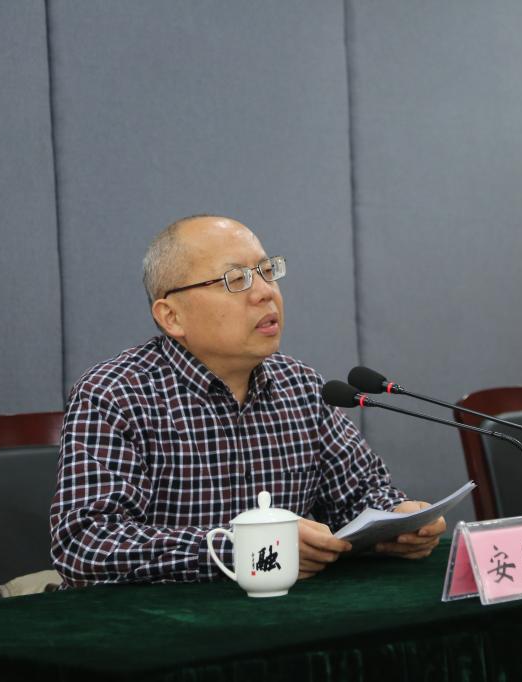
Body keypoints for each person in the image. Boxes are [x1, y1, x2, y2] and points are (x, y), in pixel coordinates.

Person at [50, 215, 446, 586]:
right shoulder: (114, 393)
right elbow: (86, 544)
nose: (265, 292)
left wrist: (399, 520)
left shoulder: (300, 385)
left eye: (267, 271)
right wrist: (241, 548)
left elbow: (360, 496)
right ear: (172, 317)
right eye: (236, 279)